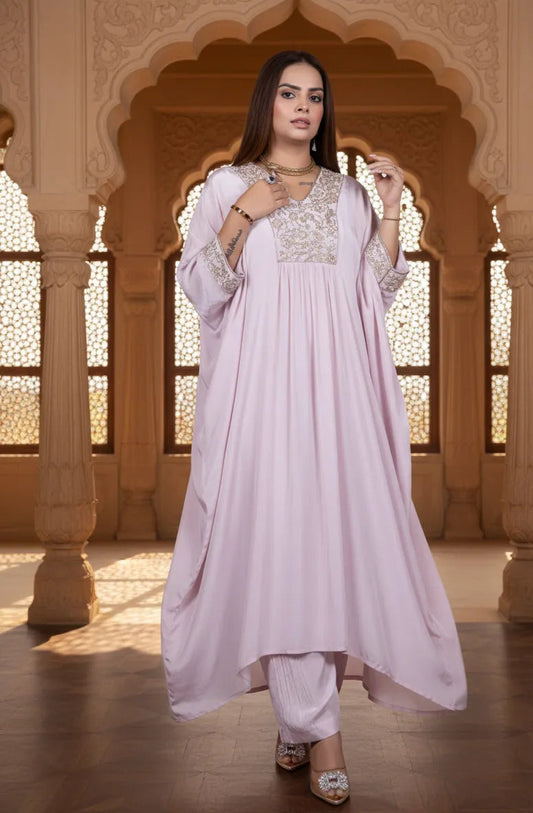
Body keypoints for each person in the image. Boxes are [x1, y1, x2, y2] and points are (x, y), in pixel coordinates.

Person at [161, 50, 467, 806]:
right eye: (290, 94)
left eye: (316, 97)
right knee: (283, 550)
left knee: (329, 554)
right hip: (260, 399)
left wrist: (392, 205)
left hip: (338, 400)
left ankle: (300, 720)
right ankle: (321, 731)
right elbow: (203, 289)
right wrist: (242, 215)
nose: (303, 108)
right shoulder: (227, 187)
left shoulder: (346, 196)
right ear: (267, 103)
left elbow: (373, 290)